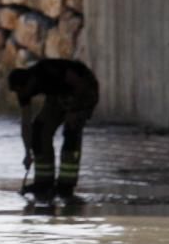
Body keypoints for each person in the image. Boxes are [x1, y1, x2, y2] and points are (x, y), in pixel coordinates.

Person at [7, 59, 100, 201]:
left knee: (71, 130)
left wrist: (75, 110)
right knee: (39, 130)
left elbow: (80, 84)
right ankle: (44, 183)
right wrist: (27, 153)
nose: (22, 95)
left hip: (84, 88)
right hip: (59, 95)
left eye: (22, 90)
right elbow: (26, 124)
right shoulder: (24, 90)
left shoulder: (47, 70)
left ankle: (66, 185)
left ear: (29, 82)